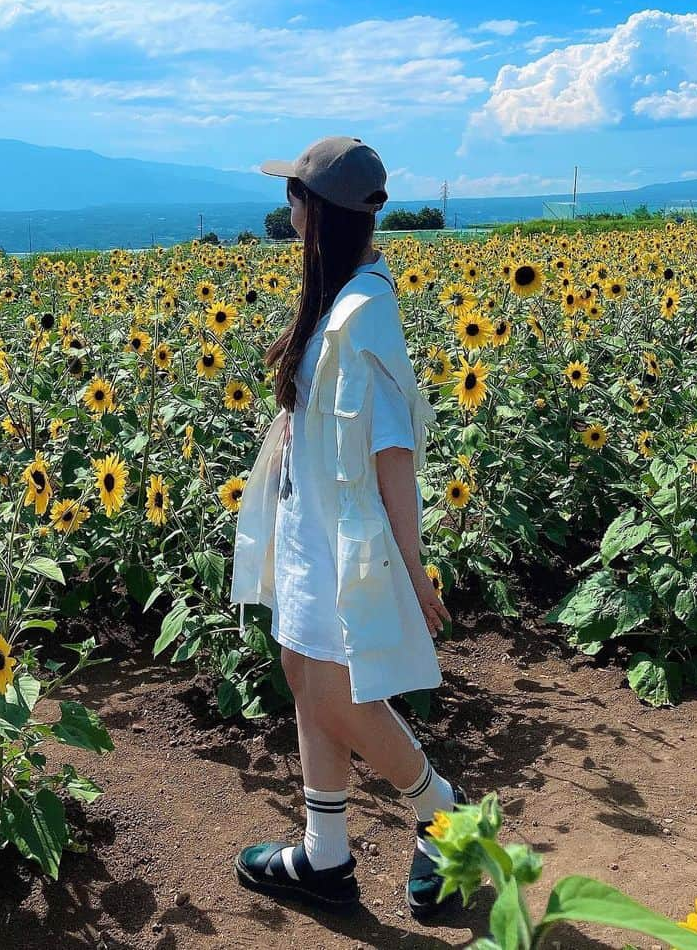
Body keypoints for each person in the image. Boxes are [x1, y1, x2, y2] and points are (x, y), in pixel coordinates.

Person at [231, 135, 468, 923]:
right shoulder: (336, 294)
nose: (286, 206)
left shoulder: (367, 314)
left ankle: (443, 813)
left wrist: (411, 561)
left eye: (295, 194)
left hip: (346, 536)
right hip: (310, 523)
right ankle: (324, 855)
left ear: (317, 211)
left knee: (337, 692)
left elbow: (392, 443)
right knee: (304, 676)